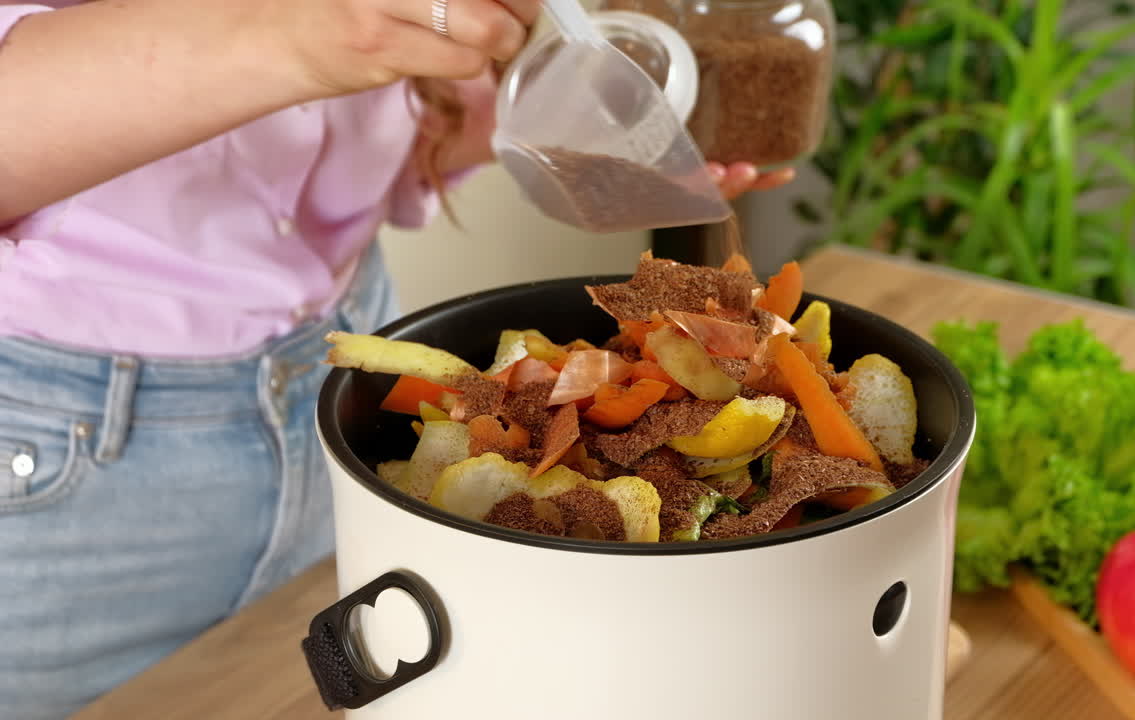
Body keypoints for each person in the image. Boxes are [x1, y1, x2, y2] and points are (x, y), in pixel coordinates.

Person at [0, 1, 794, 718]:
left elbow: (335, 131)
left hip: (340, 381)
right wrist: (301, 31)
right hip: (60, 452)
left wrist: (574, 113)